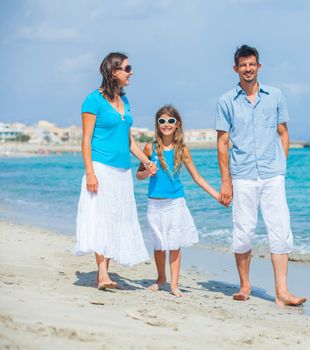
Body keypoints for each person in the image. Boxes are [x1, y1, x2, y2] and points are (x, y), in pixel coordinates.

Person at [215, 45, 307, 306]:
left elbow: (283, 133)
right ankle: (245, 285)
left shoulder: (275, 96)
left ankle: (282, 292)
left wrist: (281, 165)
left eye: (252, 64)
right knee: (243, 232)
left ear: (259, 66)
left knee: (280, 231)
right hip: (242, 175)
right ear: (236, 68)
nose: (248, 68)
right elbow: (222, 143)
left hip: (272, 175)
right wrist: (225, 181)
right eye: (243, 65)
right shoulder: (226, 101)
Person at [75, 52, 158, 290]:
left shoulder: (125, 101)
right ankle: (102, 276)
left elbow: (128, 140)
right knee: (101, 218)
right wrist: (90, 172)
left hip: (123, 172)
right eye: (127, 68)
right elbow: (86, 139)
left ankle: (105, 273)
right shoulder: (93, 100)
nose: (131, 72)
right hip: (101, 167)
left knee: (114, 219)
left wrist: (146, 161)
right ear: (114, 71)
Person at [137, 104, 224, 296]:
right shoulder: (150, 147)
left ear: (177, 124)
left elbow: (197, 177)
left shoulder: (182, 149)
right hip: (155, 204)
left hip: (176, 203)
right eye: (162, 121)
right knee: (159, 245)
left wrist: (217, 195)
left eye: (170, 121)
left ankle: (174, 285)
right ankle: (161, 279)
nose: (166, 124)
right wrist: (147, 171)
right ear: (157, 124)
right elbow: (139, 175)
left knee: (174, 245)